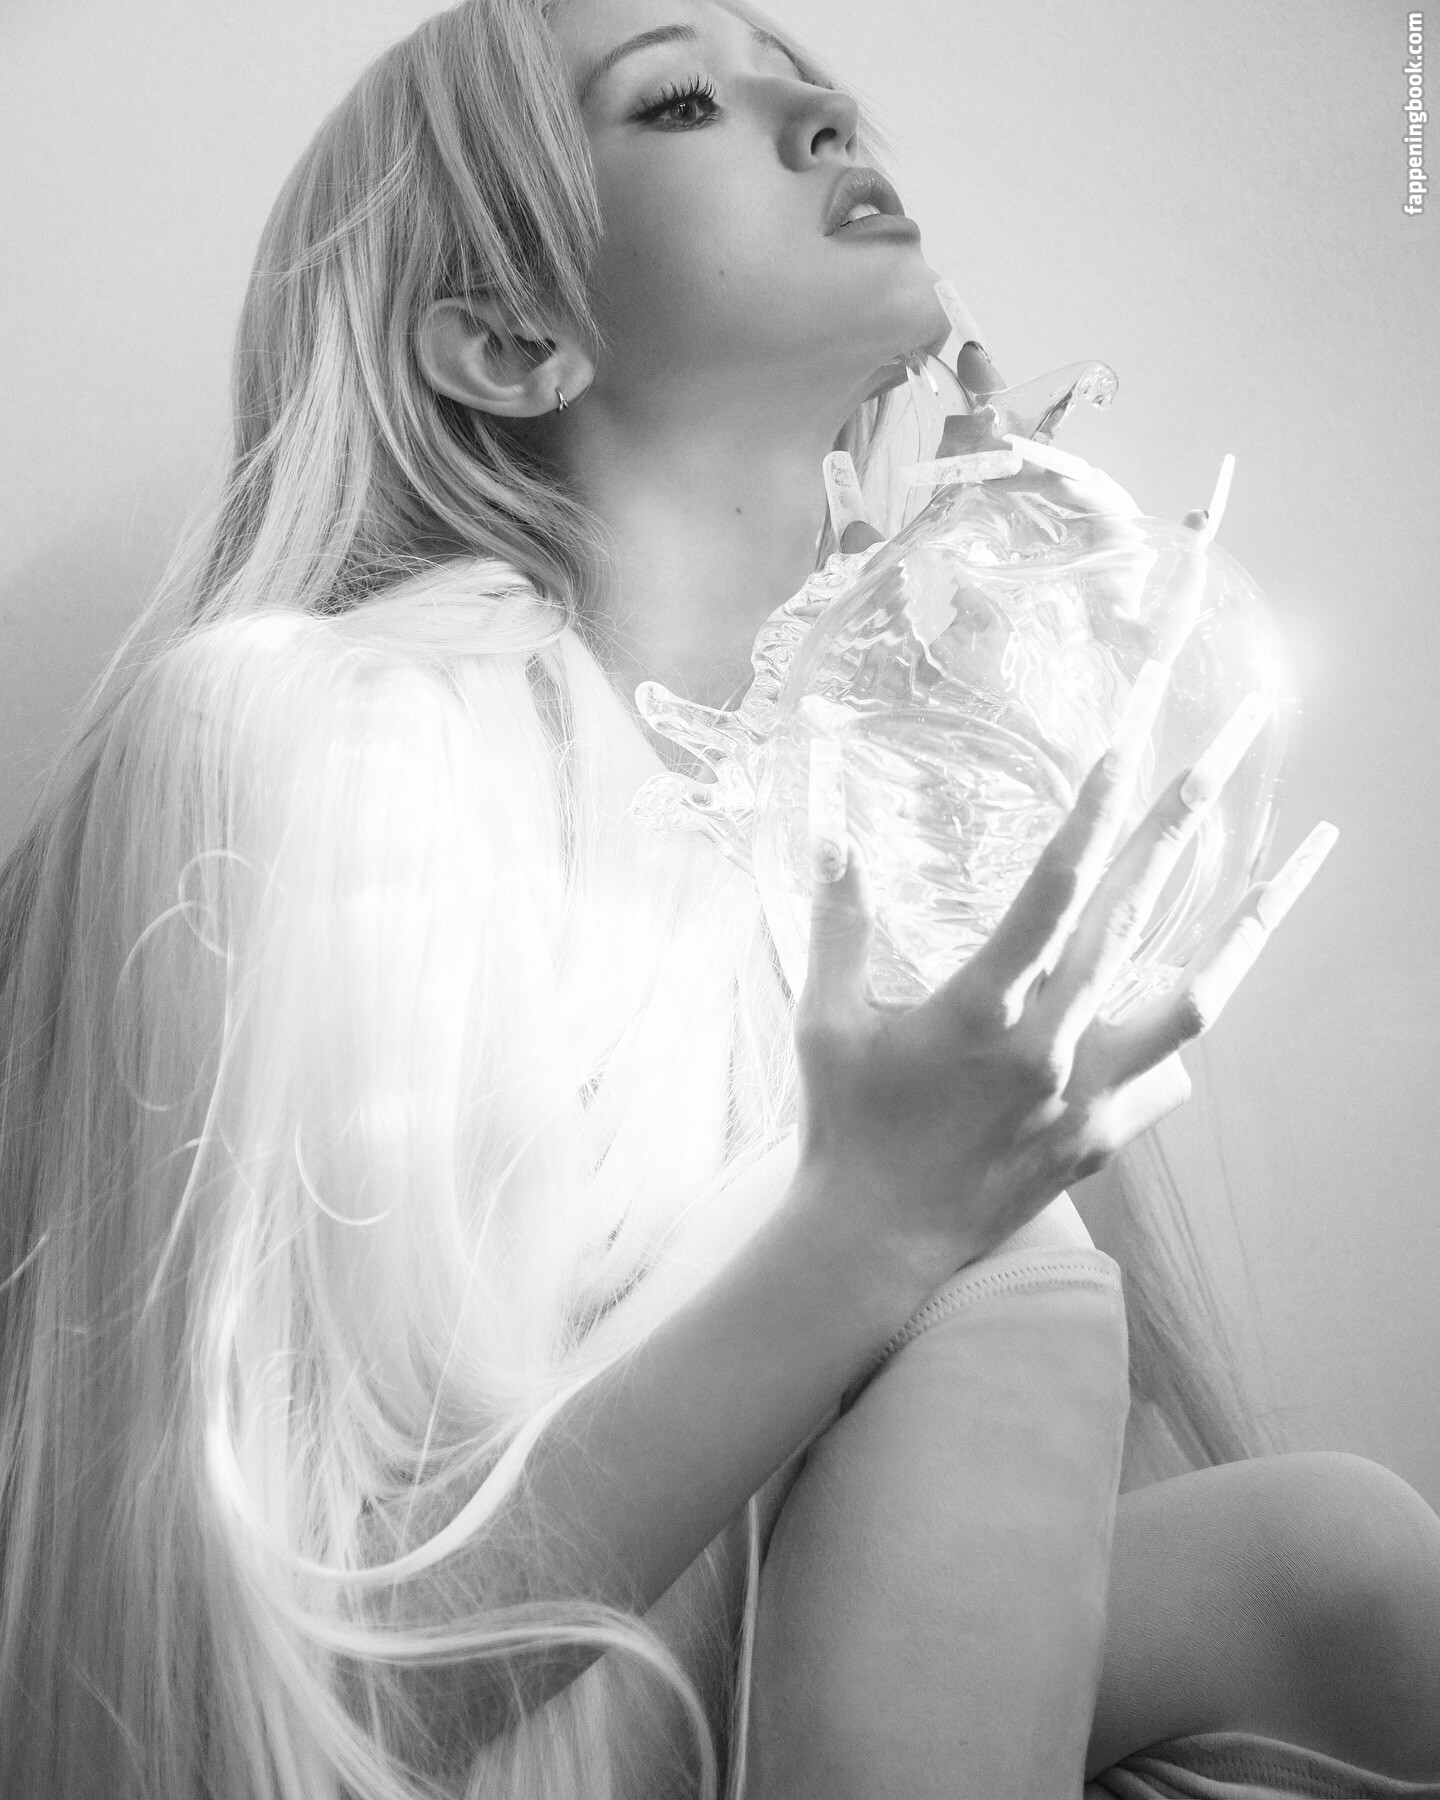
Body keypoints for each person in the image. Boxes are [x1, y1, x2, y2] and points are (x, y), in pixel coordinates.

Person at [1, 1, 1437, 1796]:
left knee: (1339, 1564)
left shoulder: (853, 846)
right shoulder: (314, 737)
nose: (827, 112)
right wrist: (879, 1225)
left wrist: (961, 687)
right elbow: (218, 1701)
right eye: (682, 98)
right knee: (1017, 1265)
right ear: (507, 338)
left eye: (811, 83)